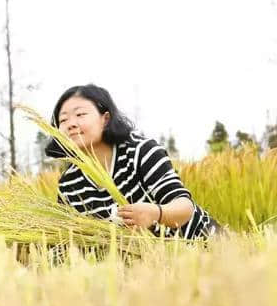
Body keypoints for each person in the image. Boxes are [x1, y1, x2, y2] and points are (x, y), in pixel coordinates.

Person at [44, 84, 221, 240]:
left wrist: (156, 213)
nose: (71, 124)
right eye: (63, 120)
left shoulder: (140, 152)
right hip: (141, 264)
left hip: (201, 245)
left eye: (80, 114)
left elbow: (184, 206)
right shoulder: (69, 184)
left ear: (105, 119)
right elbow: (68, 236)